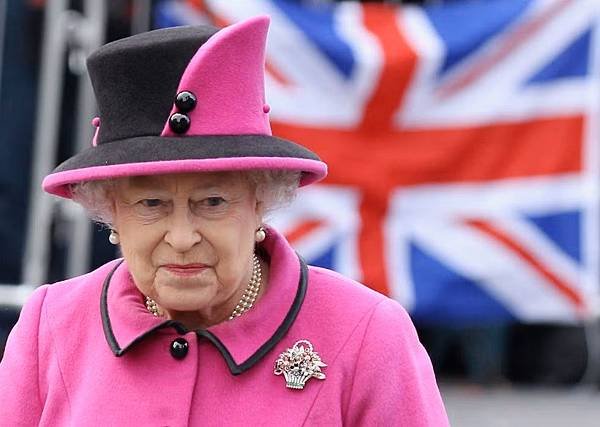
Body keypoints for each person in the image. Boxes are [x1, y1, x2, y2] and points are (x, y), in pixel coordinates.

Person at [0, 16, 448, 426]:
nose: (181, 237)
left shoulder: (367, 332)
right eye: (151, 204)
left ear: (261, 199)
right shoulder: (51, 325)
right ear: (111, 210)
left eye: (212, 202)